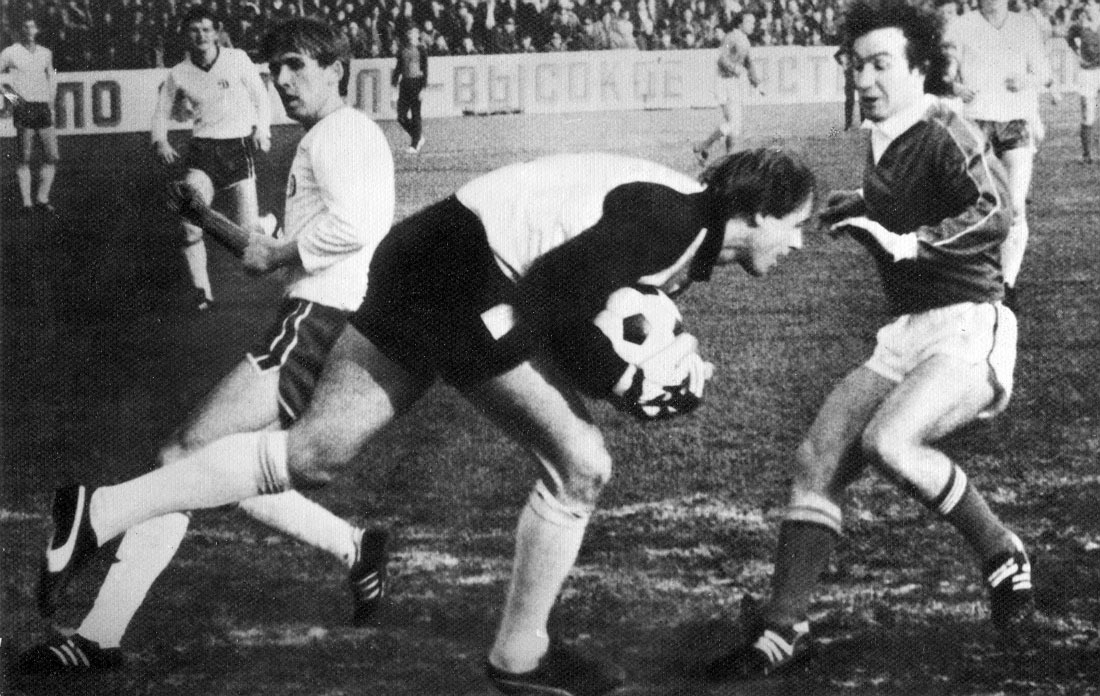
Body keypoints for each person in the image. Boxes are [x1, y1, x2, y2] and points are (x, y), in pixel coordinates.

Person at [36, 147, 815, 696]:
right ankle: (521, 657)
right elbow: (552, 300)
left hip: (426, 252)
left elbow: (569, 297)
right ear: (757, 212)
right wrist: (623, 381)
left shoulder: (682, 216)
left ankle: (100, 511)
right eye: (797, 223)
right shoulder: (672, 222)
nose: (800, 241)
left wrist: (621, 371)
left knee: (314, 454)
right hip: (463, 273)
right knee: (581, 463)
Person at [16, 17, 394, 674]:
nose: (282, 80)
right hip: (324, 316)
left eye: (297, 65)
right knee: (227, 469)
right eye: (275, 69)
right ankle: (356, 548)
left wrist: (282, 251)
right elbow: (264, 254)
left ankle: (97, 581)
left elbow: (354, 226)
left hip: (316, 323)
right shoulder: (338, 134)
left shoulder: (339, 133)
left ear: (337, 70)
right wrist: (204, 217)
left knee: (182, 454)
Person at [705, 0, 1032, 681]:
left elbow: (997, 210)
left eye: (881, 64)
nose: (865, 79)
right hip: (908, 330)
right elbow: (904, 199)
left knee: (890, 442)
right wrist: (860, 205)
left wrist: (911, 243)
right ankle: (783, 626)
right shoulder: (885, 134)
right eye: (857, 66)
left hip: (968, 323)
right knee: (817, 457)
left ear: (918, 69)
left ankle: (1002, 550)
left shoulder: (945, 127)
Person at [152, 5, 273, 312]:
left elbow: (261, 96)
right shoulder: (178, 73)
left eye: (206, 29)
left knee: (247, 237)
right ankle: (202, 291)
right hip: (203, 153)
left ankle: (267, 223)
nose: (201, 36)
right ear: (185, 35)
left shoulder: (237, 59)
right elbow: (161, 110)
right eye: (194, 30)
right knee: (190, 221)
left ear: (217, 33)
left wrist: (263, 129)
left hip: (237, 150)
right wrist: (160, 140)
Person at [943, 0, 1052, 312]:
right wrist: (955, 86)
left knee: (1015, 206)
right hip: (976, 126)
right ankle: (976, 279)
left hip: (1015, 123)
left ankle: (1007, 284)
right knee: (976, 207)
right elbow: (946, 73)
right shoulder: (962, 25)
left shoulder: (1024, 25)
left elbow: (1044, 75)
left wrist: (1026, 81)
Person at [0, 17, 59, 213]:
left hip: (42, 107)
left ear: (37, 30)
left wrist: (51, 101)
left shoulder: (45, 53)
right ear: (20, 30)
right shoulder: (11, 52)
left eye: (32, 26)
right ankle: (27, 203)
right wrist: (13, 99)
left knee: (52, 155)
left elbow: (51, 76)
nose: (29, 30)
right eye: (25, 27)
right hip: (24, 108)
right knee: (24, 157)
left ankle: (42, 198)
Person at [693, 12, 766, 166]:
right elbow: (722, 59)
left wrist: (757, 84)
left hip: (733, 83)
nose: (752, 25)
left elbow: (749, 63)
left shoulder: (745, 40)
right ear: (740, 23)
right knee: (733, 123)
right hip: (723, 82)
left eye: (753, 22)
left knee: (735, 127)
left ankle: (727, 158)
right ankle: (703, 147)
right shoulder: (731, 37)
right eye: (749, 22)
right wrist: (736, 69)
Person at [1067, 4, 1100, 162]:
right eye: (1086, 7)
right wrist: (1077, 54)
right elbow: (1069, 39)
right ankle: (1087, 154)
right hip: (1087, 73)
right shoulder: (1079, 26)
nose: (1088, 9)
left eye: (1091, 6)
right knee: (1088, 113)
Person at [392, 24, 428, 153]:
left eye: (414, 33)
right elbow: (398, 68)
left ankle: (414, 144)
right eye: (410, 33)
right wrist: (394, 85)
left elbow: (425, 69)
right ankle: (417, 137)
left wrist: (423, 88)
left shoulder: (421, 49)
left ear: (417, 34)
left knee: (415, 114)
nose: (412, 35)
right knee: (401, 116)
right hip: (405, 84)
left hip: (416, 83)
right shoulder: (403, 49)